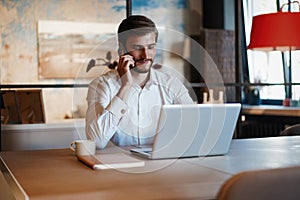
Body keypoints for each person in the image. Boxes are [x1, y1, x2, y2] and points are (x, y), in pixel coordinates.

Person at [85, 15, 194, 149]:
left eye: (151, 47)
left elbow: (193, 127)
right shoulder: (101, 86)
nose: (146, 55)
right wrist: (126, 86)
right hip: (116, 166)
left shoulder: (172, 85)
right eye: (138, 47)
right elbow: (96, 141)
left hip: (162, 163)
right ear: (122, 50)